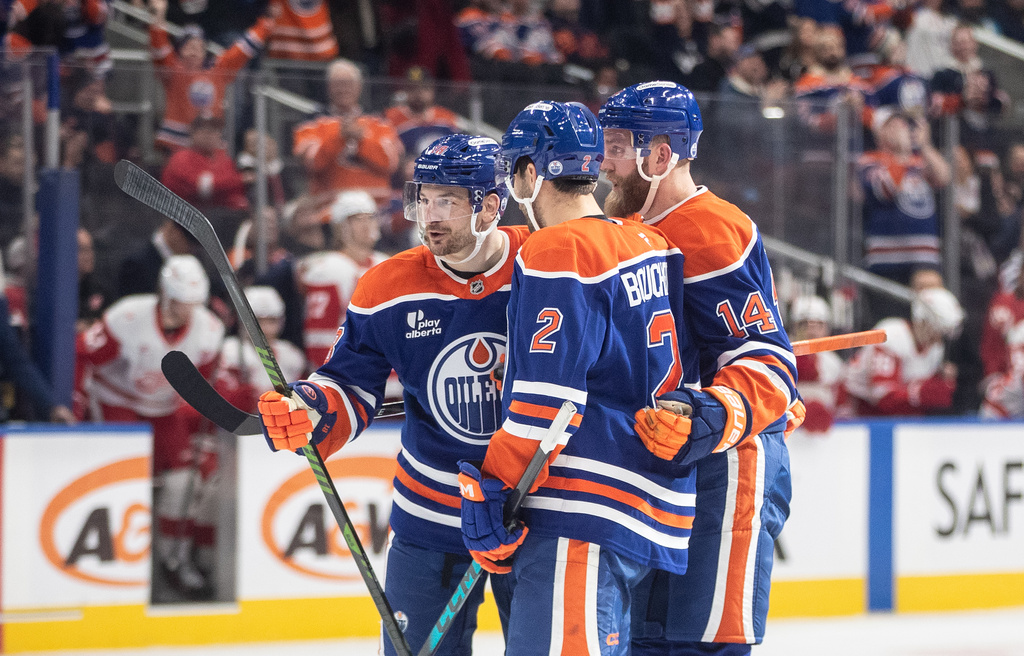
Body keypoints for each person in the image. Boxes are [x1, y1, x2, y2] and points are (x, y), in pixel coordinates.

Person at [255, 134, 527, 656]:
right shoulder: (387, 287)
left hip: (529, 509)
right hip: (431, 516)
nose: (431, 215)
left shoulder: (542, 266)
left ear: (491, 206)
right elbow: (351, 385)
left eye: (449, 200)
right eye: (424, 198)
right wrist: (312, 409)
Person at [461, 100, 693, 653]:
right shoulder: (648, 242)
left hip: (581, 509)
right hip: (648, 507)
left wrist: (493, 487)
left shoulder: (557, 248)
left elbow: (549, 402)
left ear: (529, 173)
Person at [599, 81, 798, 655]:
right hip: (655, 464)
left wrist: (717, 408)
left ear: (659, 156)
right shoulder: (621, 229)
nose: (603, 165)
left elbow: (763, 359)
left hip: (725, 469)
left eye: (615, 147)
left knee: (702, 641)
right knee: (644, 639)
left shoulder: (711, 231)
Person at [74, 255, 225, 593]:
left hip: (164, 409)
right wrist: (76, 403)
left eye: (192, 304)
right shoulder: (126, 316)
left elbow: (203, 385)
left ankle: (173, 558)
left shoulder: (209, 330)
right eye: (180, 302)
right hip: (117, 402)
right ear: (164, 293)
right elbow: (83, 353)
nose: (187, 312)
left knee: (182, 481)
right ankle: (115, 561)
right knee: (122, 480)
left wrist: (199, 414)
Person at [148, 0, 273, 151]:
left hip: (211, 147)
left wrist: (265, 24)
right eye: (188, 46)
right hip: (175, 144)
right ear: (179, 51)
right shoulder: (173, 69)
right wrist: (158, 16)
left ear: (205, 51)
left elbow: (242, 49)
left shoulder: (217, 70)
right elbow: (159, 44)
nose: (194, 50)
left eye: (198, 46)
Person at [291, 59, 403, 205]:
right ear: (329, 87)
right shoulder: (312, 124)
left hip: (377, 208)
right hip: (330, 209)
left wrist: (362, 140)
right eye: (338, 83)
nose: (343, 89)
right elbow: (312, 164)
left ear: (359, 86)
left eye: (348, 83)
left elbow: (390, 164)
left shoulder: (380, 123)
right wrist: (340, 138)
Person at [297, 190, 388, 367]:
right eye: (357, 219)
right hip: (350, 374)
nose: (366, 224)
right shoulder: (328, 269)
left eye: (370, 217)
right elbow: (319, 338)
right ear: (341, 226)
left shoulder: (387, 264)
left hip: (390, 374)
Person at [845, 286, 964, 416]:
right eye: (937, 330)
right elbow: (883, 397)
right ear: (922, 320)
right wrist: (920, 393)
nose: (939, 339)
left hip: (898, 410)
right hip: (858, 406)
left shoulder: (936, 348)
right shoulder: (891, 335)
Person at [215, 286, 307, 413]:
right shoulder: (230, 351)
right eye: (258, 321)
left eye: (271, 321)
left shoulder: (292, 355)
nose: (265, 328)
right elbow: (222, 404)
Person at [160, 115, 249, 212]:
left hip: (219, 214)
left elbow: (235, 192)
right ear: (193, 134)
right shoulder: (181, 158)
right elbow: (203, 189)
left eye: (215, 131)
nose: (210, 135)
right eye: (205, 131)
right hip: (184, 216)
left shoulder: (223, 158)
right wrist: (241, 179)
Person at [790, 295, 846, 433]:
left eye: (819, 325)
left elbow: (842, 405)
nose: (812, 331)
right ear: (794, 327)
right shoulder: (783, 356)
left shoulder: (834, 363)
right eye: (805, 324)